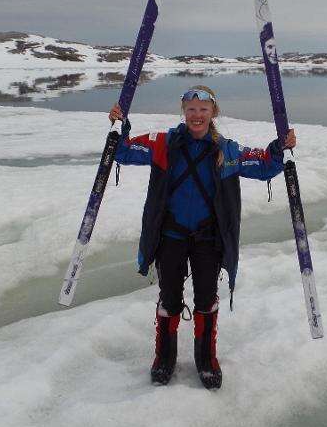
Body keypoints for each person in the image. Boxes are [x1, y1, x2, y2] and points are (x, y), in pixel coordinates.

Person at [109, 85, 296, 389]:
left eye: (203, 110)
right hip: (170, 235)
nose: (197, 115)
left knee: (206, 300)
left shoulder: (228, 150)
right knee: (169, 299)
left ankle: (206, 359)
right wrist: (120, 124)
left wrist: (279, 148)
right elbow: (123, 150)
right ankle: (164, 357)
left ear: (213, 113)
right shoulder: (163, 143)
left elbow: (264, 166)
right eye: (191, 109)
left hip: (208, 239)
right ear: (184, 111)